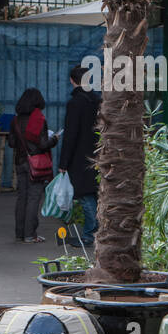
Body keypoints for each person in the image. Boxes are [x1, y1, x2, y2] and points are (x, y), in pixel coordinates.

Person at [59, 63, 102, 246]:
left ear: (71, 80)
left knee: (85, 196)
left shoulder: (75, 103)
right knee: (95, 194)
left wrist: (63, 162)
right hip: (98, 154)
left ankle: (90, 234)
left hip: (79, 157)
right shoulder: (97, 101)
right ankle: (96, 232)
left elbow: (71, 134)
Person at [9, 87, 57, 243]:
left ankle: (19, 233)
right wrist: (54, 139)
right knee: (34, 198)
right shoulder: (39, 119)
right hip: (35, 164)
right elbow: (43, 144)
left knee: (22, 197)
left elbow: (11, 143)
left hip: (20, 162)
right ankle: (30, 234)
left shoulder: (15, 120)